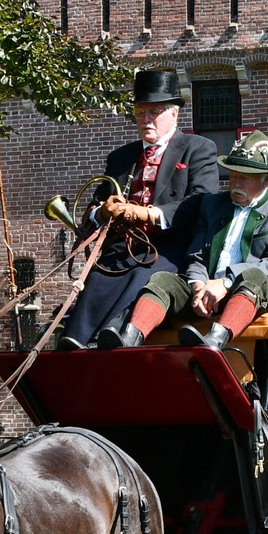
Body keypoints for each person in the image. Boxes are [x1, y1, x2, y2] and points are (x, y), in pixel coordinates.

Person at [103, 131, 268, 350]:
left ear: (266, 179)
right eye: (232, 175)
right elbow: (196, 256)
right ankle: (129, 339)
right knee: (163, 279)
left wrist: (226, 282)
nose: (235, 183)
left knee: (254, 276)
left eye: (244, 178)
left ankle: (214, 342)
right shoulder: (212, 204)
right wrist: (198, 285)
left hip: (256, 292)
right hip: (207, 290)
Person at [60, 69, 220, 348]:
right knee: (99, 277)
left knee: (143, 273)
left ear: (174, 114)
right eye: (140, 112)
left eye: (155, 112)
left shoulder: (198, 148)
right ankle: (74, 342)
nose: (146, 119)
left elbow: (202, 201)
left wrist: (149, 213)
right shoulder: (120, 157)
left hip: (172, 247)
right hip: (123, 247)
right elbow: (93, 212)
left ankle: (110, 338)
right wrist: (104, 212)